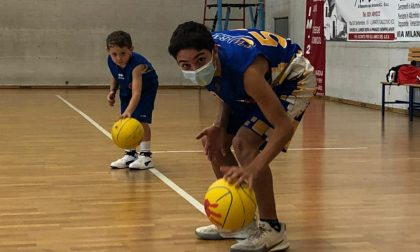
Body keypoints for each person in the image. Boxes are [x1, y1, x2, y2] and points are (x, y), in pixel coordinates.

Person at [168, 21, 316, 252]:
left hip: (292, 79)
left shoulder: (245, 71)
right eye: (185, 65)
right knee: (217, 145)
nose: (194, 69)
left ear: (214, 52)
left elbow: (283, 127)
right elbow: (226, 91)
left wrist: (255, 165)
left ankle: (273, 230)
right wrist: (218, 126)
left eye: (200, 61)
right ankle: (241, 222)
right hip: (263, 79)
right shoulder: (210, 64)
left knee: (244, 144)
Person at [106, 30, 159, 170]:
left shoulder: (137, 65)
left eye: (123, 53)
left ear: (131, 50)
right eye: (114, 54)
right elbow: (116, 75)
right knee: (126, 119)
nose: (118, 58)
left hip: (145, 88)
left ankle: (146, 157)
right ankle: (130, 154)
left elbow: (137, 92)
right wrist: (112, 91)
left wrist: (130, 111)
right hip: (126, 86)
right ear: (108, 51)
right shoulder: (111, 61)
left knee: (140, 120)